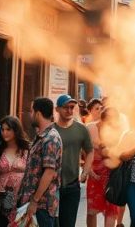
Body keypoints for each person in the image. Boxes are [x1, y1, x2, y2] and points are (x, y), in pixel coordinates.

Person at [16, 97, 63, 227]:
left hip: (42, 205)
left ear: (38, 113)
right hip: (33, 204)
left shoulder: (50, 138)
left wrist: (35, 201)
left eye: (32, 112)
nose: (30, 115)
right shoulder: (41, 136)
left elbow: (49, 172)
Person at [54, 93, 95, 227]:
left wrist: (85, 172)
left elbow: (90, 151)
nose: (70, 110)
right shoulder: (51, 130)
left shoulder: (81, 129)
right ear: (57, 109)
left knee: (68, 223)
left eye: (72, 107)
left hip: (72, 184)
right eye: (66, 107)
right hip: (52, 186)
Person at [0, 116, 29, 227]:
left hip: (22, 197)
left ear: (16, 130)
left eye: (8, 129)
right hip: (3, 198)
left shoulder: (27, 150)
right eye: (2, 129)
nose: (4, 132)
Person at [86, 106, 122, 227]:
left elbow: (119, 154)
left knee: (111, 208)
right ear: (102, 119)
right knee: (91, 210)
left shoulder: (118, 132)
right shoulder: (91, 128)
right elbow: (83, 151)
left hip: (111, 175)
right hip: (94, 173)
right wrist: (88, 169)